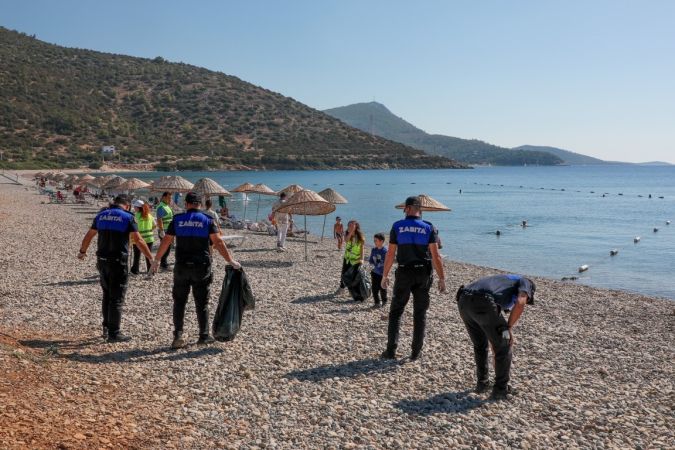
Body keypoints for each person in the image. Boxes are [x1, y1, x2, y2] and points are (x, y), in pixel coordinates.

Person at [152, 192, 241, 349]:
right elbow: (218, 242)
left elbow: (166, 241)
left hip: (181, 266)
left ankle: (178, 336)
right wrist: (230, 260)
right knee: (202, 303)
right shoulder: (207, 220)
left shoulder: (177, 220)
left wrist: (157, 260)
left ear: (186, 204)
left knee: (179, 302)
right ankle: (203, 336)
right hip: (201, 267)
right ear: (199, 204)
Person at [77, 194, 153, 342]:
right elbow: (138, 239)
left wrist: (82, 251)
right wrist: (151, 258)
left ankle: (106, 327)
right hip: (118, 261)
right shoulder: (127, 217)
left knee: (106, 294)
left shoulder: (101, 215)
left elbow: (90, 235)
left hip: (102, 260)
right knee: (117, 297)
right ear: (127, 205)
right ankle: (114, 333)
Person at [380, 196, 446, 361]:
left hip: (404, 273)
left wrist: (385, 275)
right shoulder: (429, 228)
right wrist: (441, 278)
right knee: (420, 313)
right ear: (420, 209)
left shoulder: (397, 226)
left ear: (407, 208)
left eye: (404, 208)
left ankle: (391, 350)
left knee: (396, 311)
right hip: (423, 273)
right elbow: (436, 256)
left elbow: (390, 254)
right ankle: (416, 352)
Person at [456, 274, 535, 400]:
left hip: (463, 300)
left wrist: (501, 333)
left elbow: (494, 321)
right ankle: (500, 389)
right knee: (504, 345)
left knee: (480, 345)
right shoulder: (525, 281)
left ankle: (482, 384)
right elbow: (520, 302)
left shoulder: (502, 283)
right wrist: (508, 328)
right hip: (483, 302)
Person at [337, 220, 365, 298]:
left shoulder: (360, 236)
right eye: (348, 225)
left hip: (356, 260)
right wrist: (351, 231)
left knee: (353, 276)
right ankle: (341, 288)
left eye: (351, 226)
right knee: (344, 273)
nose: (349, 227)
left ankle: (351, 291)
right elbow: (346, 240)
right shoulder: (347, 233)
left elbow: (362, 249)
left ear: (356, 226)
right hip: (347, 258)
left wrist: (362, 259)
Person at [131, 199, 156, 274]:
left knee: (137, 255)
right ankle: (150, 271)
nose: (134, 208)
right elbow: (155, 225)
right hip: (149, 238)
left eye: (135, 206)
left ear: (138, 208)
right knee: (148, 255)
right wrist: (149, 230)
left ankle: (135, 270)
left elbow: (132, 228)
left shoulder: (135, 216)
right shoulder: (149, 215)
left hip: (139, 239)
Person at [369, 233, 388, 307]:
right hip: (374, 272)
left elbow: (387, 264)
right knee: (374, 288)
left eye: (376, 240)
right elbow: (371, 260)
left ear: (382, 241)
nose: (374, 242)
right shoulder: (373, 250)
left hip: (382, 273)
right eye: (374, 240)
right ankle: (377, 302)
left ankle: (384, 301)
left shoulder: (385, 251)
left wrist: (386, 275)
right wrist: (372, 264)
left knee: (382, 288)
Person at [156, 192, 174, 270]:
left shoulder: (166, 206)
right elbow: (159, 219)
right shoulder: (161, 207)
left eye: (170, 198)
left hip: (168, 230)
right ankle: (163, 264)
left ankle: (164, 263)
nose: (170, 200)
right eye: (168, 198)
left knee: (167, 247)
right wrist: (161, 230)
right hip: (165, 231)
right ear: (163, 197)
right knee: (165, 248)